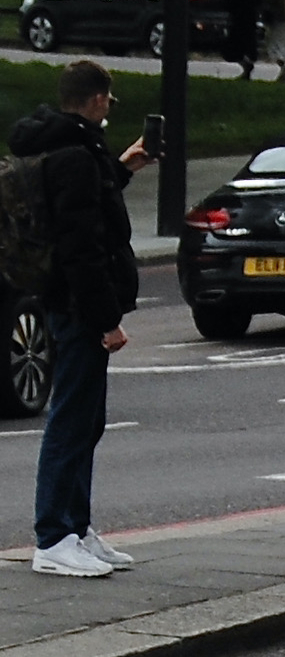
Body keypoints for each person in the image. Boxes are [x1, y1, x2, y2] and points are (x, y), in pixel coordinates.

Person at [9, 60, 150, 577]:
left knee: (87, 421)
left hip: (65, 301)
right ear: (95, 99)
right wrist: (105, 319)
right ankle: (53, 537)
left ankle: (77, 526)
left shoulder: (67, 145)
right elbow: (82, 247)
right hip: (76, 307)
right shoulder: (73, 152)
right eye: (108, 98)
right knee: (70, 421)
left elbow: (87, 199)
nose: (111, 107)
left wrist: (123, 166)